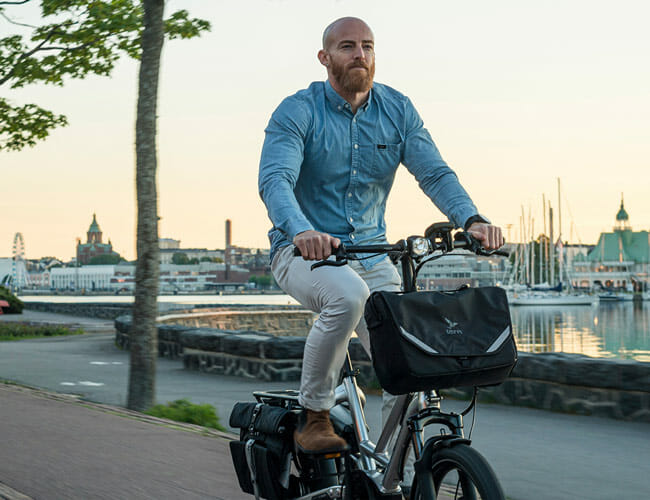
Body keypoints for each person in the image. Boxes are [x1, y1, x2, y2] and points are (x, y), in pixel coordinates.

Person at [258, 17, 504, 455]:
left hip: (373, 256)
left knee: (413, 362)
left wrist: (471, 219)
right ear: (324, 58)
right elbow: (275, 180)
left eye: (367, 46)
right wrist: (302, 231)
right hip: (302, 254)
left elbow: (434, 173)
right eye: (347, 46)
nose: (360, 54)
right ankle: (314, 415)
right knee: (348, 296)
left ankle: (397, 472)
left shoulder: (397, 109)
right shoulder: (298, 111)